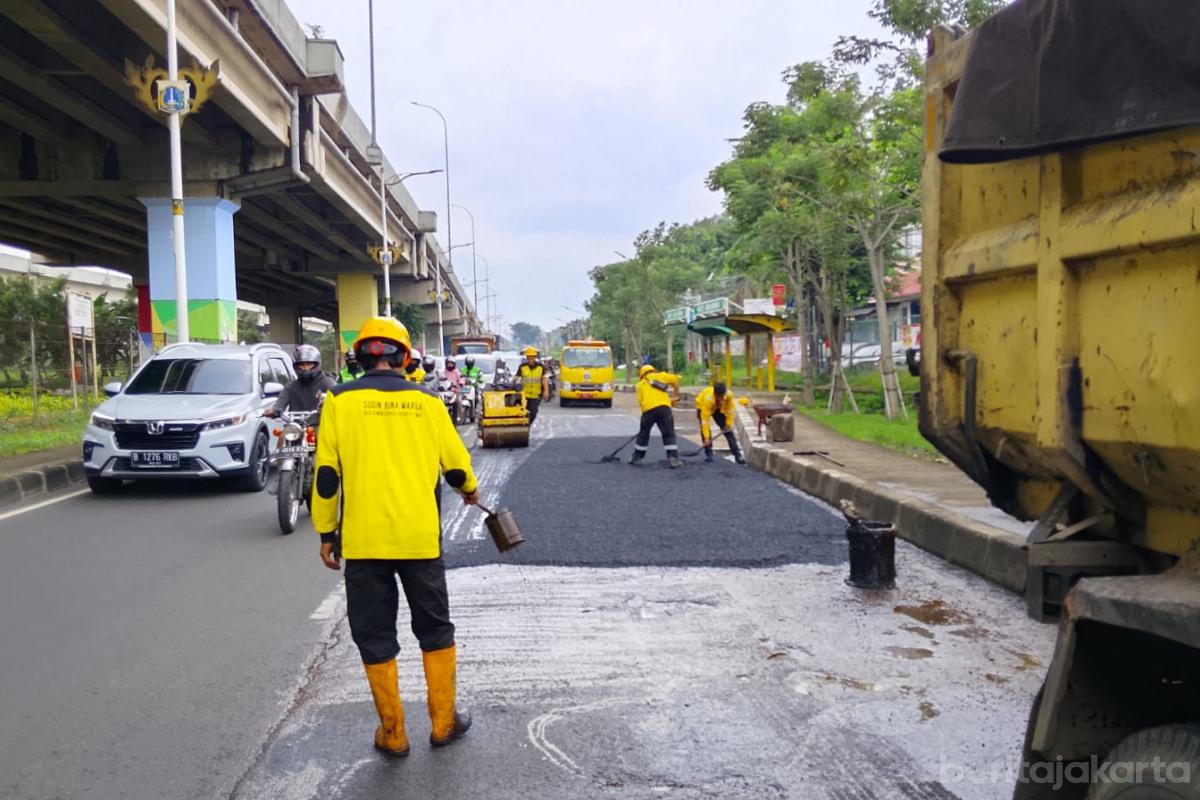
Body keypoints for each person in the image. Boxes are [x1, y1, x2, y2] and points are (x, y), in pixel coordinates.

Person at [312, 316, 479, 757]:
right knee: (435, 627)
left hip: (365, 543)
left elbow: (326, 476)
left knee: (374, 632)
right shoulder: (426, 400)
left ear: (358, 356)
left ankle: (393, 732)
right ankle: (443, 723)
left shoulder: (338, 400)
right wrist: (470, 491)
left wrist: (327, 531)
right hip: (420, 540)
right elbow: (457, 465)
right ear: (405, 356)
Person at [632, 363, 682, 467]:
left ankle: (637, 457)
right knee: (668, 433)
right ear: (653, 370)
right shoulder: (661, 376)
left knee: (644, 434)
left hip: (648, 411)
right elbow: (676, 380)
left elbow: (642, 403)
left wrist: (644, 423)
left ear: (641, 375)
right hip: (664, 409)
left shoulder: (640, 385)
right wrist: (676, 395)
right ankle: (673, 458)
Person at [265, 344, 336, 418]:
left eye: (309, 364)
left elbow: (339, 403)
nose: (305, 368)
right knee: (286, 430)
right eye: (302, 365)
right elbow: (281, 402)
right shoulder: (291, 386)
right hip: (295, 425)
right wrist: (274, 410)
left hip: (321, 424)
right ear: (296, 366)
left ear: (316, 364)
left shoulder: (328, 384)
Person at [695, 381, 746, 464]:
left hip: (718, 408)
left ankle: (737, 455)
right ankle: (709, 453)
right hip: (702, 406)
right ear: (715, 394)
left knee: (728, 431)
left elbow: (730, 410)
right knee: (704, 430)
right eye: (719, 397)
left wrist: (728, 424)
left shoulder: (729, 395)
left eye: (723, 396)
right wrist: (707, 438)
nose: (722, 399)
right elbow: (705, 422)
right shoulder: (707, 400)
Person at [515, 347, 550, 425]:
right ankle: (524, 426)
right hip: (524, 395)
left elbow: (544, 379)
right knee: (522, 412)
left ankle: (528, 424)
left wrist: (546, 391)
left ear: (535, 358)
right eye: (528, 358)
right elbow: (516, 378)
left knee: (533, 413)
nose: (530, 359)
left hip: (535, 395)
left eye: (532, 358)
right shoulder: (522, 367)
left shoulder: (540, 367)